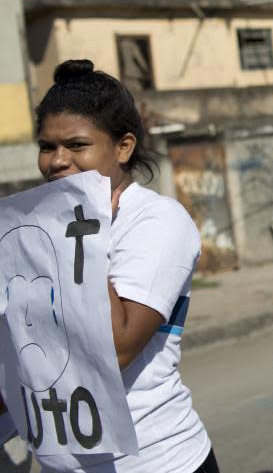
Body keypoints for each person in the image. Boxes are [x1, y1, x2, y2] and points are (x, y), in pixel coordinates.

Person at [28, 60, 216, 472]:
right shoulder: (36, 226)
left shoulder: (156, 221)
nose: (57, 160)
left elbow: (117, 347)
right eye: (47, 146)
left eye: (77, 145)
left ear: (123, 147)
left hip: (154, 462)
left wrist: (83, 232)